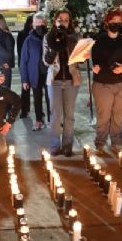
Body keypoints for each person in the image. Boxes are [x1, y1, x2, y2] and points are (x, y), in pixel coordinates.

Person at [91, 8, 122, 151]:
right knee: (103, 115)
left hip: (121, 83)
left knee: (118, 114)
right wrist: (96, 67)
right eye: (113, 21)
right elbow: (95, 59)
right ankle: (101, 139)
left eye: (118, 21)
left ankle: (115, 138)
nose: (116, 24)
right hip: (103, 83)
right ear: (107, 22)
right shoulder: (98, 40)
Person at [44, 9, 83, 156]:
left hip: (72, 81)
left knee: (69, 115)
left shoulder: (74, 37)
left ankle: (67, 145)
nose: (63, 22)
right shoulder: (49, 37)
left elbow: (81, 60)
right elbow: (46, 61)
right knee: (55, 116)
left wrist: (80, 51)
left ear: (70, 23)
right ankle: (55, 145)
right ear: (55, 21)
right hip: (54, 81)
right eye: (60, 19)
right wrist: (56, 44)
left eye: (66, 20)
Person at [20, 12, 50, 131]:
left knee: (50, 98)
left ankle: (51, 119)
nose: (39, 26)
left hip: (49, 74)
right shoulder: (28, 40)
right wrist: (24, 79)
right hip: (35, 74)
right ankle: (38, 120)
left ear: (46, 24)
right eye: (37, 23)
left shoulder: (50, 37)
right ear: (33, 25)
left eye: (42, 23)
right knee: (37, 99)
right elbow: (23, 61)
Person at [16, 15, 34, 120]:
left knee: (38, 90)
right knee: (25, 89)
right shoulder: (22, 34)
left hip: (36, 66)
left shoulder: (41, 33)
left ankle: (39, 112)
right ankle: (24, 110)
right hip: (25, 65)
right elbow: (20, 51)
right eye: (31, 22)